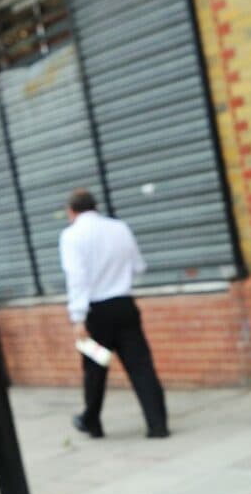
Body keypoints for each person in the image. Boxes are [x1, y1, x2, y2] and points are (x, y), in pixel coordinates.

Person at [59, 188, 169, 439]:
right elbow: (139, 266)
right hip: (124, 306)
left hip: (95, 313)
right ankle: (157, 424)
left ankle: (92, 422)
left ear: (71, 211)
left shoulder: (71, 235)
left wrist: (77, 318)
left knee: (95, 367)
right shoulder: (119, 228)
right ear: (94, 207)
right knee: (141, 366)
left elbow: (77, 277)